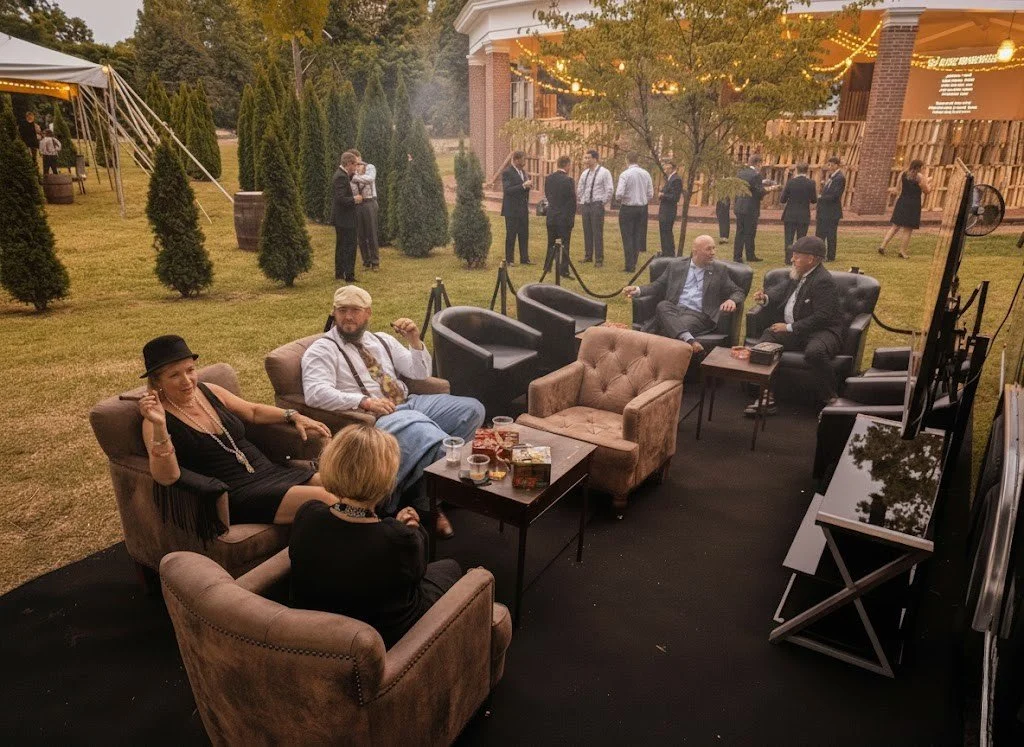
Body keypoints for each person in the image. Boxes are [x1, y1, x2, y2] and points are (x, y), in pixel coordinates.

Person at [300, 285, 486, 539]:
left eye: (355, 310)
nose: (348, 317)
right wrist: (364, 401)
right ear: (334, 313)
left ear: (368, 313)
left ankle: (432, 486)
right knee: (439, 442)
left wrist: (413, 340)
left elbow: (419, 373)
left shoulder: (381, 340)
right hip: (377, 416)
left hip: (409, 402)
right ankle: (428, 505)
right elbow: (315, 392)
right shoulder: (323, 349)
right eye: (342, 310)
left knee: (472, 410)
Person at [288, 424, 463, 648]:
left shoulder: (307, 514)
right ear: (386, 479)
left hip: (311, 638)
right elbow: (418, 571)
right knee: (451, 568)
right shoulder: (400, 540)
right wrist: (413, 529)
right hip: (381, 644)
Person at [135, 335, 335, 526]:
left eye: (190, 370)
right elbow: (166, 477)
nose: (187, 381)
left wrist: (292, 415)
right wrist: (160, 425)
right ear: (157, 381)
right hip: (235, 492)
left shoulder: (208, 391)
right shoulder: (154, 421)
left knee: (343, 486)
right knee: (328, 499)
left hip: (269, 471)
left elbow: (253, 411)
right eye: (174, 375)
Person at [747, 236, 844, 413]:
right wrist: (766, 298)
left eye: (797, 255)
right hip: (797, 330)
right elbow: (781, 291)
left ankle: (831, 399)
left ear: (811, 259)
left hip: (823, 331)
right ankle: (766, 394)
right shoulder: (799, 273)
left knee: (815, 352)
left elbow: (823, 316)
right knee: (766, 341)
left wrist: (789, 327)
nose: (792, 259)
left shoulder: (823, 281)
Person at [624, 234, 745, 355]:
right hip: (674, 309)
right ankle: (689, 340)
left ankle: (648, 350)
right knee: (662, 305)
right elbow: (658, 285)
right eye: (708, 249)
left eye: (714, 248)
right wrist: (638, 290)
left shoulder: (719, 270)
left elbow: (738, 291)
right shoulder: (676, 266)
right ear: (695, 251)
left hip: (698, 315)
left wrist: (732, 300)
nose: (713, 252)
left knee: (665, 326)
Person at [879, 159, 931, 259]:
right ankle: (902, 252)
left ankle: (882, 246)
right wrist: (930, 184)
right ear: (919, 167)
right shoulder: (920, 177)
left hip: (902, 201)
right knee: (908, 229)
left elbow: (897, 189)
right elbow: (926, 190)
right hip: (913, 204)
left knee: (895, 226)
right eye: (922, 167)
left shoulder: (903, 174)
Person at [733, 154, 778, 263]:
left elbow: (749, 185)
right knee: (750, 232)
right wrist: (771, 188)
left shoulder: (741, 173)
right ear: (758, 163)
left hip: (740, 205)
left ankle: (737, 256)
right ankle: (750, 255)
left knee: (740, 232)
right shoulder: (756, 175)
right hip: (751, 207)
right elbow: (758, 192)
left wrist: (762, 182)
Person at [615, 152, 654, 273]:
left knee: (627, 236)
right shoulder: (646, 174)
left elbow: (619, 193)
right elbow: (650, 194)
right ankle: (634, 261)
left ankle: (629, 265)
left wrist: (623, 198)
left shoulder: (625, 174)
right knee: (637, 235)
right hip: (642, 208)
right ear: (637, 160)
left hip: (628, 207)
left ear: (627, 160)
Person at [576, 149, 613, 268]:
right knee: (587, 230)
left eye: (588, 158)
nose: (586, 160)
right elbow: (580, 188)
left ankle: (599, 259)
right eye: (585, 158)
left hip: (597, 204)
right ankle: (588, 255)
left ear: (595, 159)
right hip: (586, 204)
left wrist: (602, 202)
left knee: (597, 232)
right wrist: (582, 200)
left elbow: (609, 189)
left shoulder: (604, 172)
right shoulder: (585, 173)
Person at [332, 151, 363, 281]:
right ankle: (349, 275)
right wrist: (355, 199)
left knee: (341, 245)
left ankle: (339, 273)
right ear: (349, 164)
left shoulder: (343, 175)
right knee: (349, 246)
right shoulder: (341, 176)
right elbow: (340, 198)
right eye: (355, 165)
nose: (356, 168)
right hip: (345, 219)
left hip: (341, 218)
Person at [543, 155, 576, 276]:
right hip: (564, 217)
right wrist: (571, 218)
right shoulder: (568, 180)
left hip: (551, 215)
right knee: (565, 244)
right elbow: (572, 201)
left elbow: (547, 194)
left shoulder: (549, 178)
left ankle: (547, 266)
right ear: (567, 165)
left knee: (550, 242)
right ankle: (564, 270)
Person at [780, 163, 817, 265]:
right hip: (803, 214)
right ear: (807, 170)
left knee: (788, 238)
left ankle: (788, 259)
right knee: (801, 239)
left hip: (790, 214)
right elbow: (814, 200)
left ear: (797, 170)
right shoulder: (811, 183)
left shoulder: (791, 182)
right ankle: (799, 259)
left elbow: (782, 199)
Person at [501, 150, 532, 265]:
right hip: (512, 210)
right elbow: (507, 190)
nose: (525, 162)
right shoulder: (507, 172)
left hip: (523, 209)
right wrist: (523, 185)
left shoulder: (523, 172)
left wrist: (528, 186)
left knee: (524, 234)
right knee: (511, 234)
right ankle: (509, 260)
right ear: (516, 160)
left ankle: (525, 258)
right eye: (523, 159)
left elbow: (523, 189)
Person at [350, 149, 379, 272]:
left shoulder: (370, 167)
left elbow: (370, 179)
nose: (355, 164)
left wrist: (354, 177)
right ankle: (366, 261)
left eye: (355, 160)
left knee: (371, 233)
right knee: (360, 235)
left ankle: (375, 262)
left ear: (359, 157)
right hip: (357, 204)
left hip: (369, 202)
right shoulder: (350, 171)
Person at [815, 156, 846, 262]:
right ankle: (820, 254)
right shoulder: (832, 177)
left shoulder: (839, 178)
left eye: (831, 165)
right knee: (820, 233)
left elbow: (835, 195)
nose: (829, 167)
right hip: (825, 210)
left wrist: (821, 197)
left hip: (831, 211)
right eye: (829, 164)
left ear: (836, 165)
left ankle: (830, 256)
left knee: (831, 234)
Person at [658, 161, 683, 257]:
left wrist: (663, 195)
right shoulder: (670, 179)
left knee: (667, 231)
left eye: (666, 168)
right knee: (663, 232)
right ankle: (665, 252)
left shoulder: (676, 179)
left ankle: (669, 253)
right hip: (665, 209)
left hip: (669, 210)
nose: (665, 169)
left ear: (672, 168)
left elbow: (675, 197)